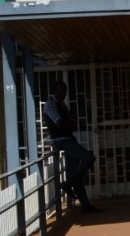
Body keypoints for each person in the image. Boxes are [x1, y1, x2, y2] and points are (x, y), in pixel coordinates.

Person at [43, 81, 104, 214]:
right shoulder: (50, 104)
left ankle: (85, 205)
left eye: (65, 91)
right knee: (89, 158)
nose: (64, 94)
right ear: (56, 90)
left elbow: (72, 122)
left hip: (69, 139)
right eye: (62, 91)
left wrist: (68, 123)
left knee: (75, 172)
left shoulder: (62, 105)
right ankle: (67, 183)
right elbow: (59, 124)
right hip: (61, 140)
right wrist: (68, 124)